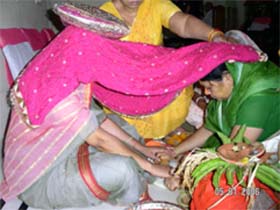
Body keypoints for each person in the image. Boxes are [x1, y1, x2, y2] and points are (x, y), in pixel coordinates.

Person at [99, 0, 228, 139]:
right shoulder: (103, 14)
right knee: (128, 134)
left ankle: (167, 133)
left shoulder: (155, 4)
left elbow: (183, 24)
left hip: (158, 79)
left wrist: (213, 35)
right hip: (123, 86)